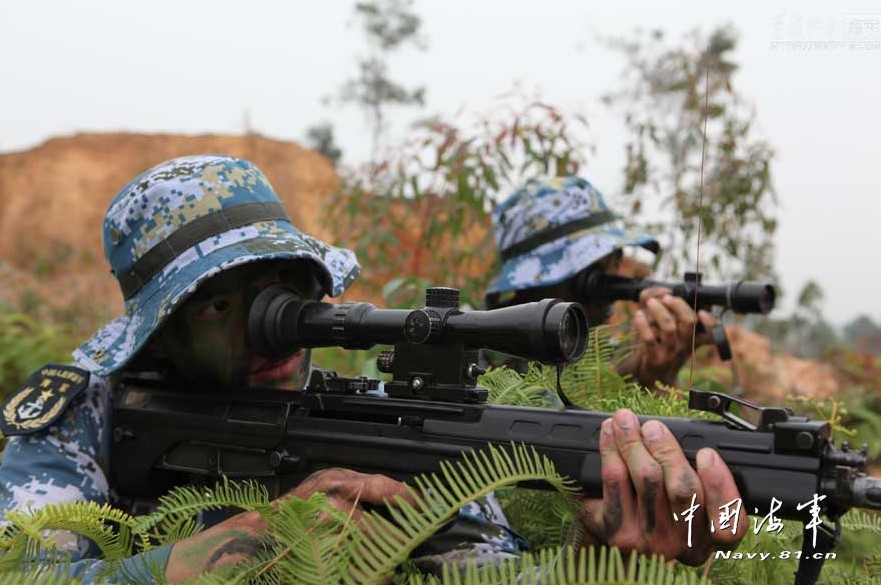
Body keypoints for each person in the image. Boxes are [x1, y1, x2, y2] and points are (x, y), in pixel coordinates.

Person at [0, 156, 744, 584]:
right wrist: (254, 546)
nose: (272, 327)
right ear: (157, 335)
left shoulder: (378, 434)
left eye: (289, 288)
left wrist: (600, 558)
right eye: (223, 305)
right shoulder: (84, 416)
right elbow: (26, 573)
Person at [484, 176, 720, 388]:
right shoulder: (476, 353)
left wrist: (653, 377)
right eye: (589, 262)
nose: (613, 269)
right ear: (533, 282)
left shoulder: (605, 354)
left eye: (615, 254)